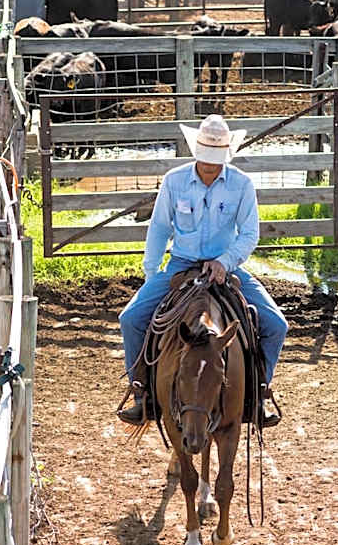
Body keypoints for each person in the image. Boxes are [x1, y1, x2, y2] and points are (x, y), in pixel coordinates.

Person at [118, 114, 288, 427]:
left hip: (226, 266)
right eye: (206, 159)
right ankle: (141, 393)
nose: (210, 166)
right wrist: (152, 274)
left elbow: (250, 234)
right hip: (181, 264)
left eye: (215, 160)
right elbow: (159, 228)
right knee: (130, 319)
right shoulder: (174, 181)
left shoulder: (241, 184)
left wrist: (225, 261)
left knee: (276, 325)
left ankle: (259, 393)